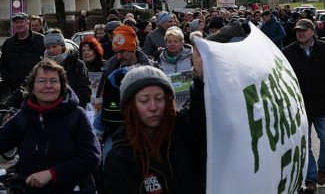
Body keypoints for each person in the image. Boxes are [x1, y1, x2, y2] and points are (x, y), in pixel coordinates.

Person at [100, 62, 206, 194]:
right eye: (144, 101)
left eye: (159, 99)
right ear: (130, 106)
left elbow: (203, 115)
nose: (153, 107)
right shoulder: (120, 157)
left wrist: (200, 76)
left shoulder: (185, 131)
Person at [0, 58, 101, 193]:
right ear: (32, 88)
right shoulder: (23, 117)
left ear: (62, 86)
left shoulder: (76, 116)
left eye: (54, 81)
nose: (48, 85)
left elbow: (91, 158)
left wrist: (52, 174)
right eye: (42, 81)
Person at [94, 25, 158, 170]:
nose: (118, 57)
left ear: (133, 48)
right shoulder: (109, 69)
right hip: (115, 131)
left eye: (122, 52)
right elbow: (101, 101)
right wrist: (98, 131)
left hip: (145, 132)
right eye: (116, 52)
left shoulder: (151, 68)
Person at [283, 19, 325, 193]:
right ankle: (311, 180)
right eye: (298, 31)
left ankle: (322, 167)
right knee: (304, 145)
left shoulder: (323, 48)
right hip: (299, 107)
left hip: (322, 104)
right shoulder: (287, 52)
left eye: (304, 30)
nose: (300, 33)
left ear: (312, 31)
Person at [5, 30, 91, 109]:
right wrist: (6, 105)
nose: (51, 50)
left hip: (70, 112)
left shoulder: (77, 64)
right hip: (44, 112)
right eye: (48, 47)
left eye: (54, 46)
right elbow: (25, 87)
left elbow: (84, 92)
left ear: (62, 46)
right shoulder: (40, 65)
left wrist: (70, 107)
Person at [0, 12, 45, 93]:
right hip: (16, 89)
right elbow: (3, 64)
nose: (19, 24)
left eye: (21, 21)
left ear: (28, 23)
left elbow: (48, 62)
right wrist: (8, 79)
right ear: (13, 24)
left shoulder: (41, 40)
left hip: (38, 88)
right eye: (16, 22)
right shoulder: (8, 44)